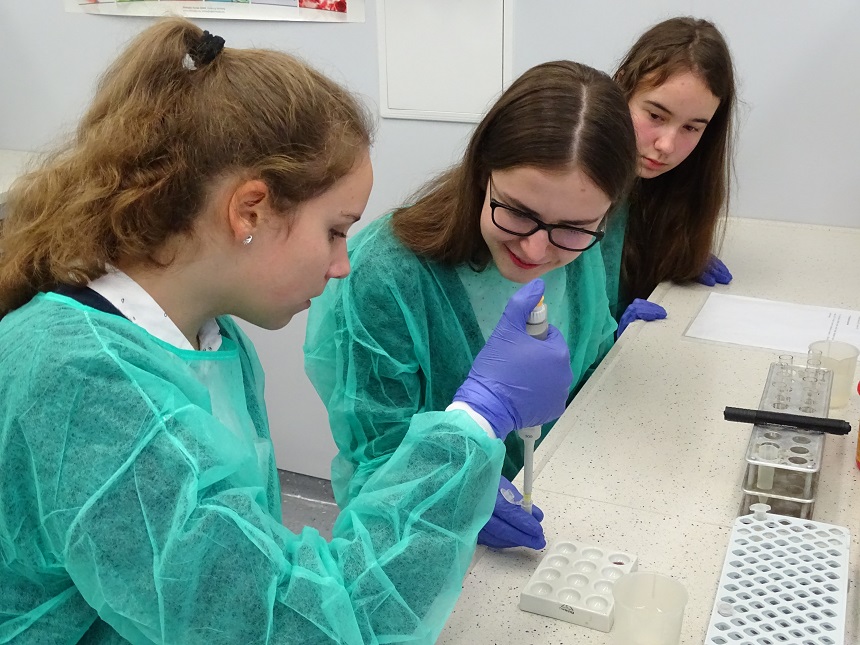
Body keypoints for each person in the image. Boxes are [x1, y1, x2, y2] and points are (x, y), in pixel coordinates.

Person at [0, 19, 574, 644]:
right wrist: (476, 421)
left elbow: (237, 568)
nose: (343, 264)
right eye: (335, 230)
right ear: (249, 210)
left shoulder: (208, 338)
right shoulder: (83, 385)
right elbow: (294, 628)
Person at [305, 61, 638, 551]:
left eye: (573, 228)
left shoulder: (583, 243)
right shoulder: (387, 274)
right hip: (419, 538)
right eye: (518, 213)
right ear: (482, 172)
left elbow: (581, 370)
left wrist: (618, 350)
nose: (536, 250)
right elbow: (379, 460)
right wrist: (454, 497)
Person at [605, 16, 737, 336]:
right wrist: (603, 343)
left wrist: (674, 255)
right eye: (655, 115)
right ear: (621, 86)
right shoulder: (574, 185)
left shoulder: (664, 189)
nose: (666, 146)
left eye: (691, 127)